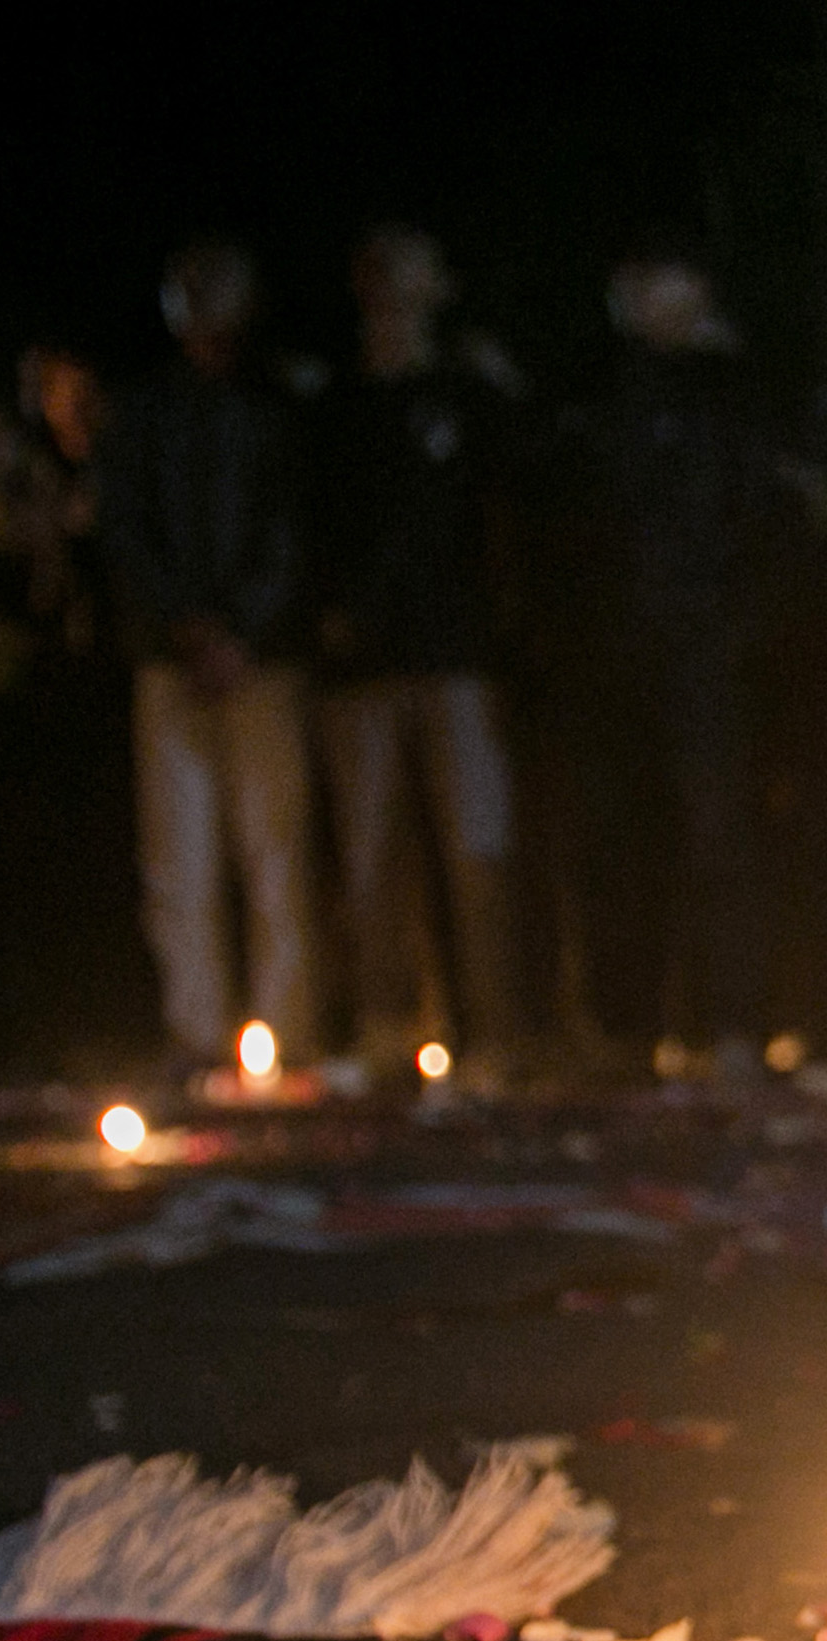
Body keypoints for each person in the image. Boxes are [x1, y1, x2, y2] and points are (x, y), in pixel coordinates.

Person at [307, 226, 522, 1081]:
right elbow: (313, 523)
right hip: (360, 665)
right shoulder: (334, 404)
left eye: (412, 269)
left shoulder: (469, 396)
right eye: (380, 271)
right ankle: (387, 1027)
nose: (396, 286)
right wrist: (329, 616)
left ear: (439, 286)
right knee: (369, 857)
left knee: (478, 851)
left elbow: (513, 504)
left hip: (459, 655)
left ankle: (494, 1035)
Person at [97, 240, 316, 1075]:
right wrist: (183, 627)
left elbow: (292, 529)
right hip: (172, 662)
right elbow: (125, 530)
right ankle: (195, 1030)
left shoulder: (277, 405)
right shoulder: (143, 411)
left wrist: (243, 630)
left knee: (274, 850)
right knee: (178, 857)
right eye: (189, 290)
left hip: (261, 660)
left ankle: (283, 1031)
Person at [556, 245, 775, 1075]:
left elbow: (760, 514)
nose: (655, 295)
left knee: (718, 837)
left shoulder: (732, 392)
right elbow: (565, 520)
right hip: (609, 655)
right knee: (618, 844)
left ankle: (733, 1026)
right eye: (640, 280)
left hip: (705, 652)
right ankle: (626, 1027)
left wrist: (736, 626)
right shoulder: (591, 391)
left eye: (672, 277)